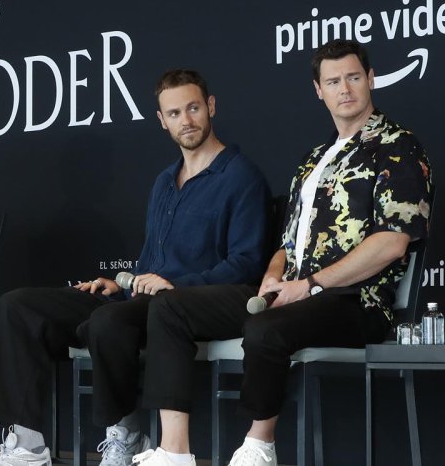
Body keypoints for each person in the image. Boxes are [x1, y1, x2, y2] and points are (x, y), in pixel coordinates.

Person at [134, 41, 433, 466]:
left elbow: (393, 241)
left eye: (352, 78)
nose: (344, 89)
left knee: (265, 330)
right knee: (170, 308)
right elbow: (287, 244)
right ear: (319, 91)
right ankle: (174, 452)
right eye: (333, 81)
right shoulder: (313, 161)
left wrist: (309, 284)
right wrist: (274, 278)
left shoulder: (398, 146)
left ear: (370, 79)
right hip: (292, 295)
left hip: (357, 303)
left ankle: (259, 447)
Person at [0, 69, 271, 466]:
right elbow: (150, 259)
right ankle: (27, 447)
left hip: (189, 304)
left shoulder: (241, 176)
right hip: (138, 299)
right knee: (17, 306)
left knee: (109, 324)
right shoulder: (165, 181)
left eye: (194, 108)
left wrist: (173, 284)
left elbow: (247, 263)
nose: (187, 120)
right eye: (175, 113)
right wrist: (119, 284)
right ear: (162, 120)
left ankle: (126, 434)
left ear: (211, 106)